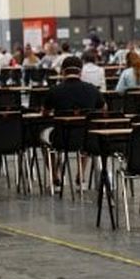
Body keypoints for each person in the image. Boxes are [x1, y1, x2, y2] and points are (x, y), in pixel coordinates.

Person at [42, 56, 106, 188]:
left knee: (43, 141)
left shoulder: (55, 90)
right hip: (87, 139)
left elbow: (45, 113)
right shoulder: (92, 89)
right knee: (85, 132)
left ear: (63, 72)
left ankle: (55, 175)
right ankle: (81, 173)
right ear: (80, 72)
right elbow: (104, 108)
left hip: (61, 139)